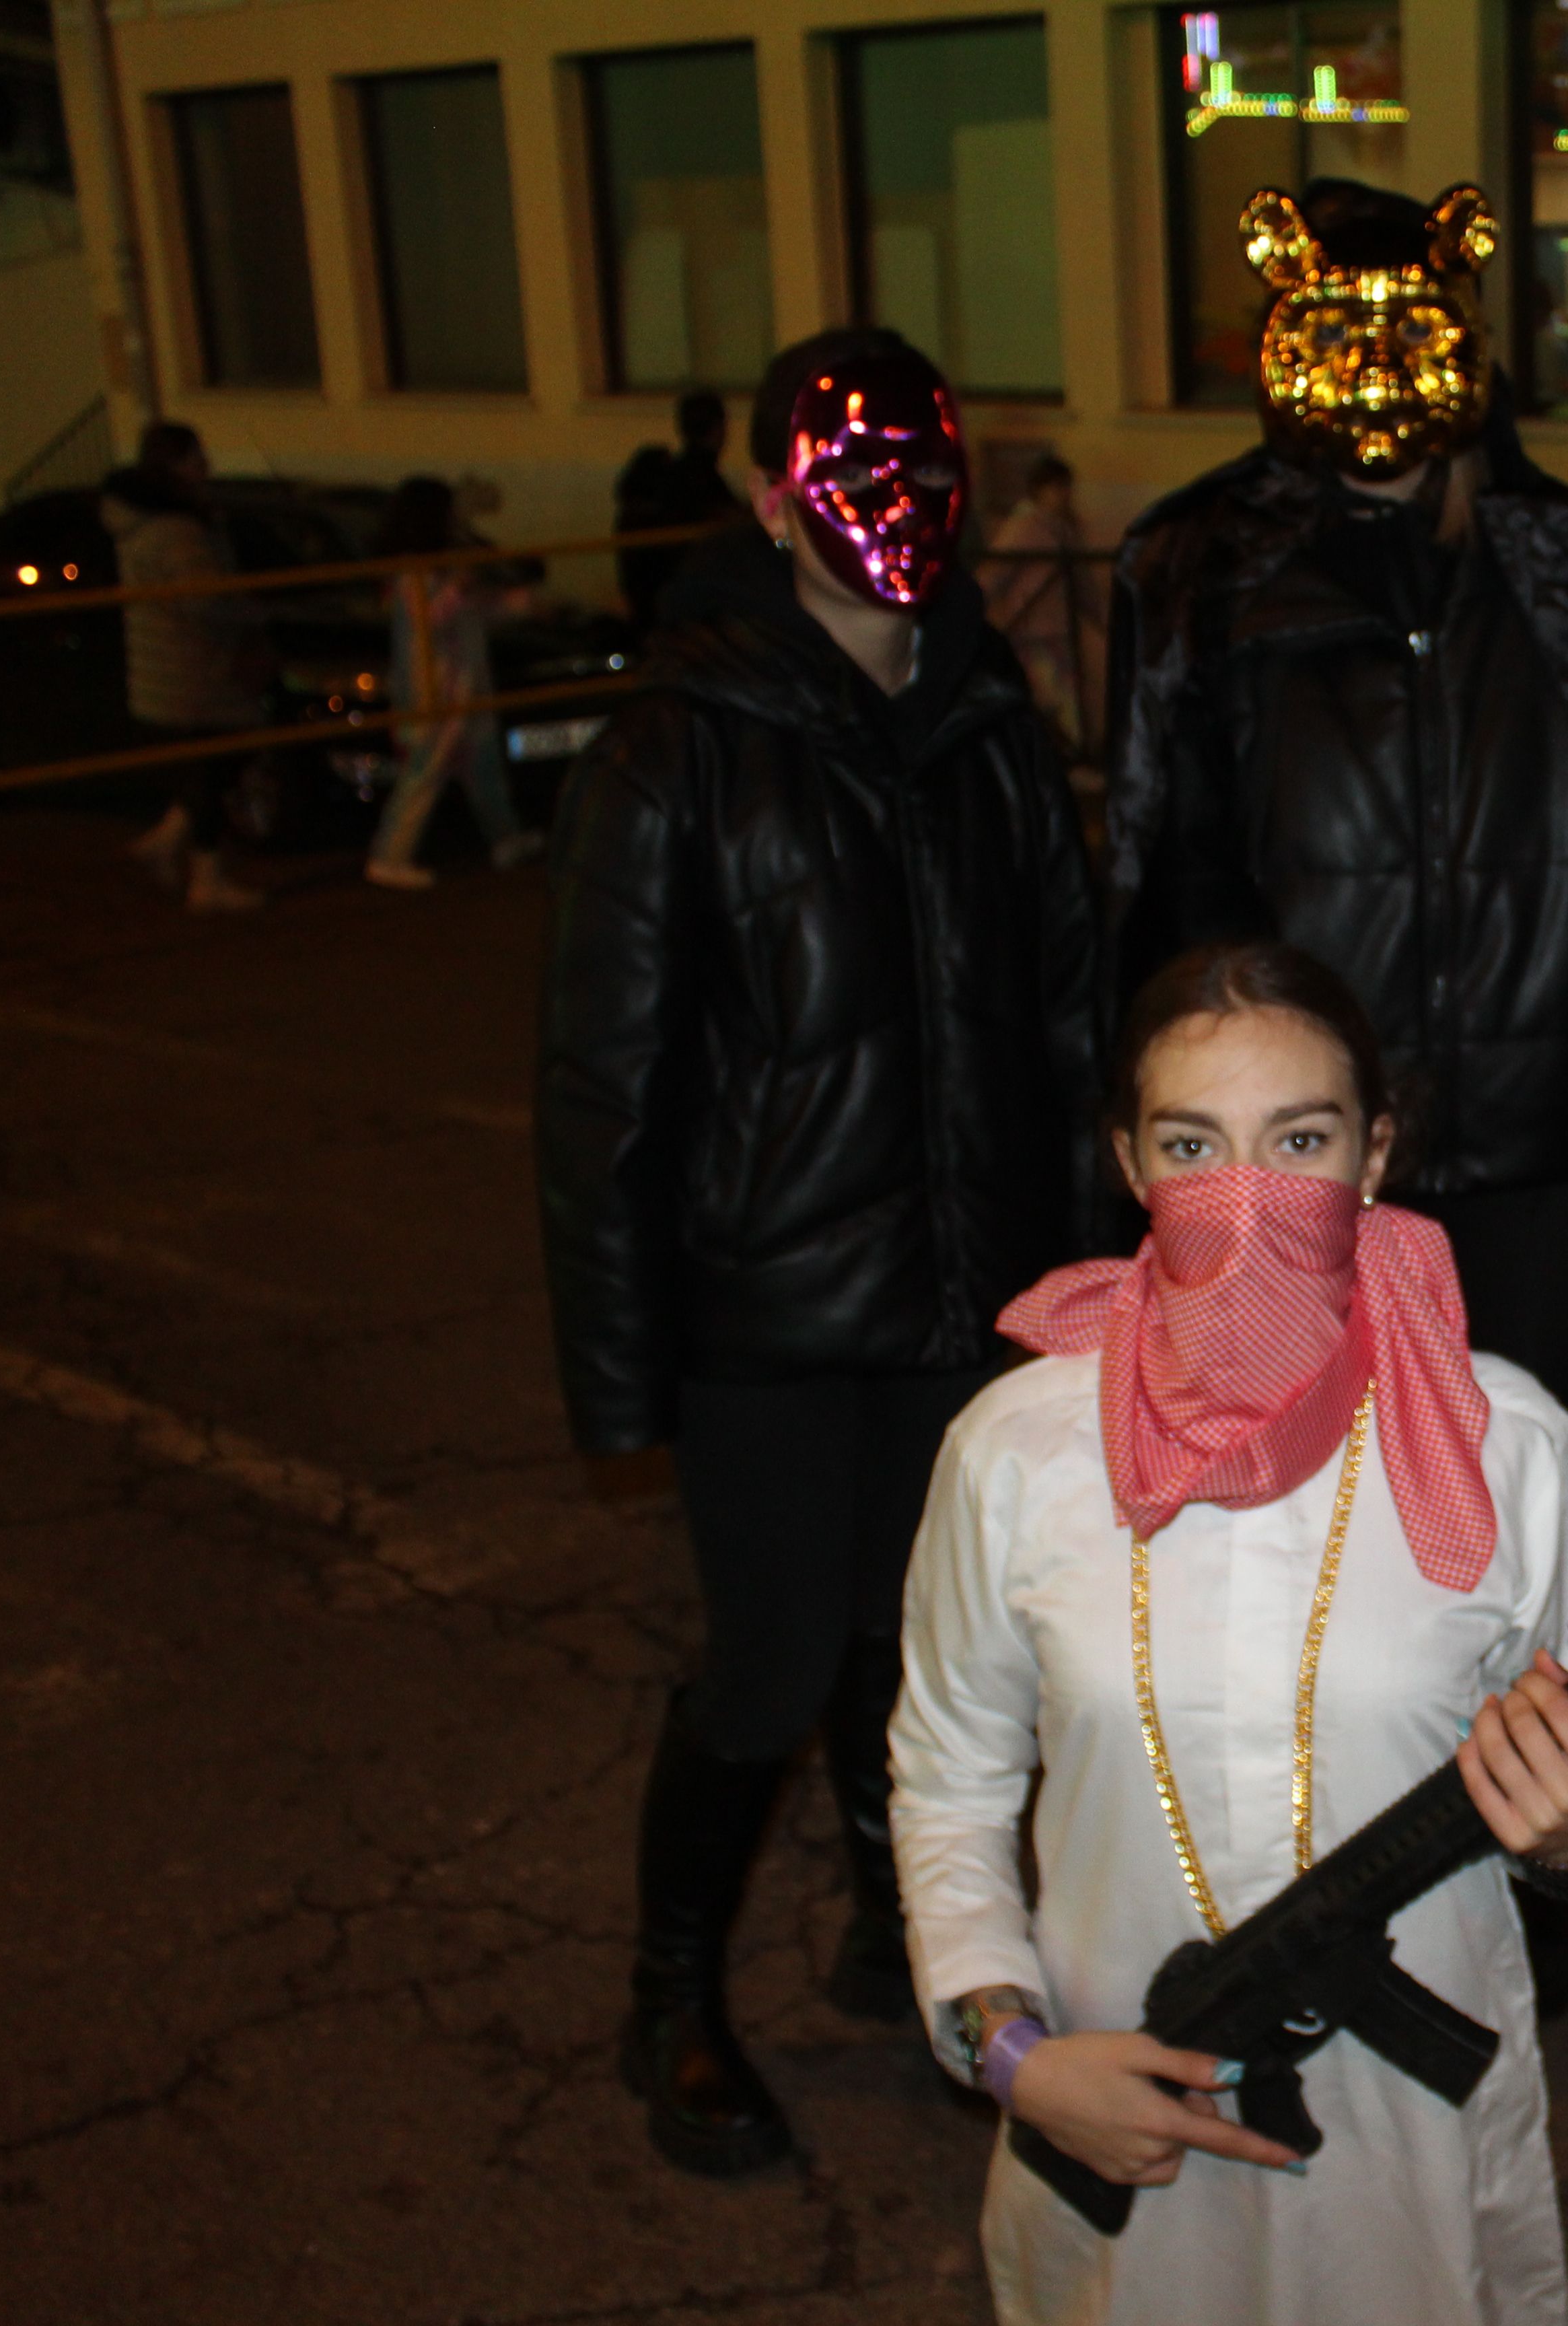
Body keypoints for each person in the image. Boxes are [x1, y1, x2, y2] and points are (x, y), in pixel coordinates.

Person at [892, 940, 1568, 2326]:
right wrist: (1011, 2060)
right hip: (1115, 2111)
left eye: (1298, 1140)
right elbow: (949, 1781)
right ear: (1128, 1165)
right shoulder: (1014, 1452)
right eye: (1195, 1145)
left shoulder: (1509, 1445)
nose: (1245, 1200)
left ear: (1374, 1158)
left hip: (1410, 2151)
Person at [538, 327, 1103, 2179]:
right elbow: (605, 1086)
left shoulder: (992, 727)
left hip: (965, 1301)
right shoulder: (678, 751)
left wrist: (1097, 1282)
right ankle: (669, 1998)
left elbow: (1071, 1022)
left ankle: (903, 1929)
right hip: (769, 1314)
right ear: (774, 493)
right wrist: (623, 1375)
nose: (898, 512)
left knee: (920, 1646)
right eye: (851, 474)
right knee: (771, 1671)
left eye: (932, 473)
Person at [1110, 178, 1568, 1766]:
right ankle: (1317, 1842)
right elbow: (1163, 886)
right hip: (1313, 1162)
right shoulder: (1198, 566)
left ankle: (1519, 1856)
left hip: (1546, 1150)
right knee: (1325, 1541)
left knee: (1523, 1528)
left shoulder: (1558, 565)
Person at [107, 419, 267, 913]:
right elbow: (205, 601)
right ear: (174, 468)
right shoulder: (177, 531)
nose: (207, 469)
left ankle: (168, 845)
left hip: (169, 672)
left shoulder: (143, 524)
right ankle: (204, 878)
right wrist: (251, 610)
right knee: (223, 761)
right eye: (197, 460)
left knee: (212, 771)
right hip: (195, 672)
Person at [363, 476, 544, 889]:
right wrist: (462, 584)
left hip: (463, 685)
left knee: (484, 768)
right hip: (434, 691)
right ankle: (389, 856)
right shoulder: (413, 573)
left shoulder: (441, 567)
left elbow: (471, 612)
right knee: (424, 773)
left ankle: (507, 839)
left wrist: (523, 605)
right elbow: (429, 620)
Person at [981, 450, 1107, 763]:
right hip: (1030, 632)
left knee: (1066, 703)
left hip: (1057, 631)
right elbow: (995, 575)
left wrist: (1105, 620)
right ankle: (1066, 761)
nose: (1064, 495)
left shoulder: (1064, 529)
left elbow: (1083, 585)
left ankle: (1068, 759)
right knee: (1059, 703)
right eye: (1057, 488)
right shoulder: (1025, 528)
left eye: (1067, 487)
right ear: (1040, 490)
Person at [614, 390, 738, 636]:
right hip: (687, 615)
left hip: (649, 608)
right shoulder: (703, 481)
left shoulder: (666, 477)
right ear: (719, 428)